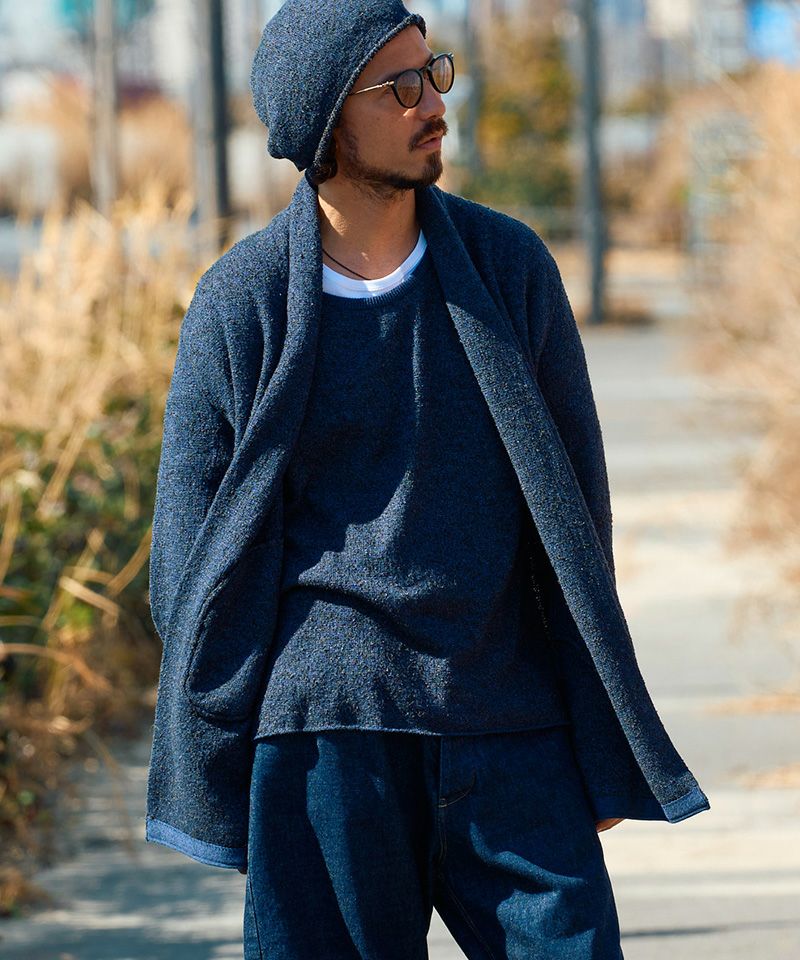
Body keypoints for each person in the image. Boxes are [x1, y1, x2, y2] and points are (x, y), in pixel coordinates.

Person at [144, 2, 711, 958]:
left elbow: (578, 522)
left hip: (507, 719)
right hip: (328, 739)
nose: (432, 104)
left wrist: (591, 725)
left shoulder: (508, 268)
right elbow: (189, 566)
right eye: (399, 87)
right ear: (327, 119)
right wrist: (245, 721)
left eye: (434, 72)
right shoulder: (240, 304)